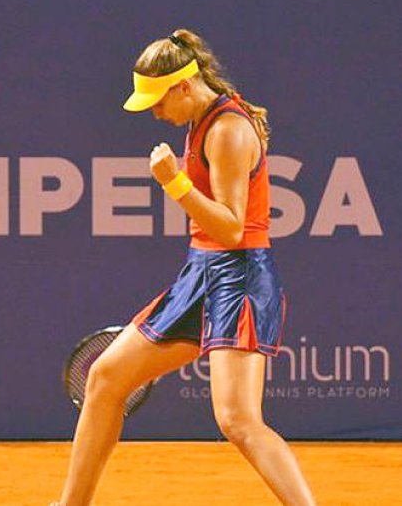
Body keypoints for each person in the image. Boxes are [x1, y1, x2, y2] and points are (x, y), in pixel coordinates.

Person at [52, 29, 317, 506]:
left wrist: (173, 182)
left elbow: (233, 229)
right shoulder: (199, 121)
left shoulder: (228, 132)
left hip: (239, 277)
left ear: (184, 86)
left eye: (158, 102)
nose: (155, 114)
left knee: (238, 421)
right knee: (105, 378)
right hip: (201, 274)